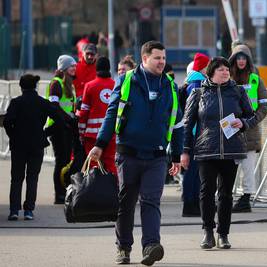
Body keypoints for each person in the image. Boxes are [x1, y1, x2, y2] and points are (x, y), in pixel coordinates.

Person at [88, 41, 183, 266]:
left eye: (163, 57)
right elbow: (112, 114)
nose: (162, 62)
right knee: (126, 203)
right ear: (145, 59)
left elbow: (178, 124)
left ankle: (150, 246)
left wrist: (177, 156)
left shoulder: (170, 85)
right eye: (157, 58)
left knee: (151, 201)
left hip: (157, 155)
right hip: (128, 153)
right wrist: (100, 145)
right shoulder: (127, 80)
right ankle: (123, 248)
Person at [181, 57, 259, 250]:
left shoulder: (238, 91)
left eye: (227, 69)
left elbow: (251, 115)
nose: (225, 72)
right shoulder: (199, 93)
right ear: (211, 72)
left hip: (232, 149)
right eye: (221, 70)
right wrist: (184, 151)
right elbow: (187, 124)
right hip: (206, 150)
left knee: (226, 194)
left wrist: (243, 123)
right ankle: (208, 231)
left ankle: (223, 234)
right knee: (206, 192)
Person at [4, 74, 63, 220]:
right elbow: (59, 120)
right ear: (35, 86)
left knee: (16, 178)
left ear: (21, 86)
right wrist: (45, 133)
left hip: (18, 145)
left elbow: (7, 122)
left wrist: (13, 135)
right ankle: (29, 210)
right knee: (32, 177)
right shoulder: (42, 103)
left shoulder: (16, 102)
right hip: (37, 144)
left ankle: (14, 211)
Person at [228, 44, 267, 213]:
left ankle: (246, 198)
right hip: (229, 131)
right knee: (227, 168)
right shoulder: (227, 79)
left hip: (249, 132)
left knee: (247, 167)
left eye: (244, 58)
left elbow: (264, 106)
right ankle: (226, 197)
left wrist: (251, 121)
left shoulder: (256, 80)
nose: (241, 61)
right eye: (238, 58)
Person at [179, 53, 209, 217]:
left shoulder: (191, 81)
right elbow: (194, 112)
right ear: (203, 67)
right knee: (193, 171)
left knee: (192, 171)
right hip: (195, 133)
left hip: (191, 132)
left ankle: (192, 203)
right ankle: (191, 204)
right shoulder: (197, 84)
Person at [46, 55, 77, 204]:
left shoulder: (69, 83)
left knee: (66, 161)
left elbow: (69, 105)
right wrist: (68, 119)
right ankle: (59, 194)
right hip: (58, 128)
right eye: (71, 66)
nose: (74, 68)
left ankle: (64, 191)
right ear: (64, 68)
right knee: (61, 161)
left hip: (67, 128)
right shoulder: (56, 84)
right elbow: (54, 106)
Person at [76, 56, 116, 174]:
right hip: (111, 134)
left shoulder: (89, 86)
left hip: (92, 135)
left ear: (96, 69)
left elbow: (83, 113)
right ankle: (115, 190)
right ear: (109, 68)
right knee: (111, 165)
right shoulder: (116, 85)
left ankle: (93, 190)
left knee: (93, 165)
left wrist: (81, 133)